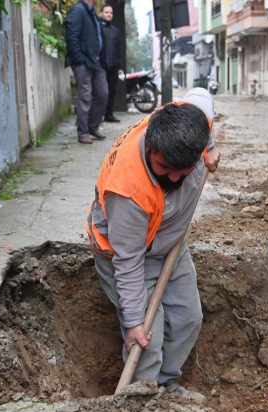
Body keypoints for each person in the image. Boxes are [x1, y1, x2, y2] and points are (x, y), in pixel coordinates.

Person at [86, 88, 220, 390]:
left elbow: (201, 98)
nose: (172, 179)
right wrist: (133, 322)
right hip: (128, 253)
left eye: (181, 171)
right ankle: (140, 399)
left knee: (188, 318)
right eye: (163, 168)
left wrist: (210, 147)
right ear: (151, 147)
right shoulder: (128, 192)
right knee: (148, 337)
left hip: (169, 242)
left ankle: (166, 385)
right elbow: (129, 261)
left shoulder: (192, 121)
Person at [65, 0, 108, 144]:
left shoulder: (92, 12)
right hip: (83, 61)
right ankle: (83, 132)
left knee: (102, 94)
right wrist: (79, 60)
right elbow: (71, 36)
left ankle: (92, 126)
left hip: (96, 61)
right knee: (85, 96)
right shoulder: (78, 10)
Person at [100, 4, 125, 123]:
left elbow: (119, 49)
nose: (109, 14)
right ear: (101, 13)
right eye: (106, 12)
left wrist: (120, 67)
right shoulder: (98, 29)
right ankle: (98, 115)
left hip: (113, 66)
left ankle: (109, 114)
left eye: (111, 12)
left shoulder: (115, 31)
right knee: (100, 91)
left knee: (112, 90)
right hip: (101, 66)